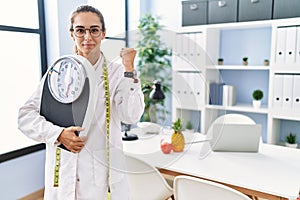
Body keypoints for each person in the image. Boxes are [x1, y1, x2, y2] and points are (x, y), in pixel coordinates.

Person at [18, 5, 144, 200]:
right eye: (80, 30)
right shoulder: (58, 72)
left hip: (100, 178)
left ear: (103, 34)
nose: (87, 37)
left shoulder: (117, 73)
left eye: (94, 30)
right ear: (72, 34)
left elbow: (131, 115)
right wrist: (58, 134)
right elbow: (25, 117)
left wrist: (129, 68)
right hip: (63, 173)